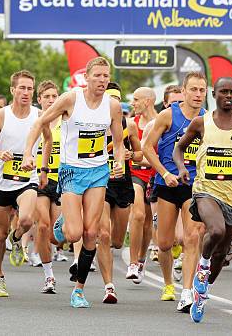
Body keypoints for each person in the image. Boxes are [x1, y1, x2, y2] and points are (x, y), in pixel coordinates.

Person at [25, 57, 125, 308]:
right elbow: (40, 122)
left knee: (92, 233)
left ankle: (78, 290)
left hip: (98, 171)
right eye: (98, 76)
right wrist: (29, 153)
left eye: (106, 76)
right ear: (87, 78)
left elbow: (119, 142)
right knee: (73, 233)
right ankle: (64, 224)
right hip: (71, 171)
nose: (102, 80)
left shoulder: (113, 106)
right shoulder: (71, 99)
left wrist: (119, 161)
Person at [174, 77, 232, 322]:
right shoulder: (201, 123)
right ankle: (201, 266)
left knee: (222, 253)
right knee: (214, 231)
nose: (228, 96)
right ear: (213, 93)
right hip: (205, 190)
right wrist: (181, 168)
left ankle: (201, 294)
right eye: (223, 91)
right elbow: (179, 148)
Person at [142, 72, 207, 312]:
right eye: (194, 90)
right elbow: (147, 147)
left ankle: (187, 291)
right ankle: (169, 283)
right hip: (167, 184)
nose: (198, 94)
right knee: (165, 243)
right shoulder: (168, 115)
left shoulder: (207, 119)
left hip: (194, 185)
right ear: (184, 90)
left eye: (202, 90)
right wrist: (165, 173)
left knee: (192, 237)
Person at [0, 70, 51, 297]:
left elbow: (49, 139)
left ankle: (17, 237)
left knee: (26, 219)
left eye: (29, 88)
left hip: (28, 180)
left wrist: (43, 169)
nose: (25, 92)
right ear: (12, 90)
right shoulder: (0, 116)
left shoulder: (39, 115)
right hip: (2, 182)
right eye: (21, 88)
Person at [97, 82, 143, 303]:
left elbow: (140, 155)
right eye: (109, 98)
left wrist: (130, 155)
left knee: (116, 241)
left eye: (116, 99)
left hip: (122, 184)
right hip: (100, 183)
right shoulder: (93, 124)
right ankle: (109, 286)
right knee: (103, 235)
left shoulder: (129, 126)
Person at [33, 80, 62, 293]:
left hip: (61, 179)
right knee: (42, 225)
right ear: (39, 99)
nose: (51, 100)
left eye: (54, 96)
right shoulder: (33, 121)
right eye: (47, 97)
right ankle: (49, 276)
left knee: (55, 235)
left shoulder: (66, 120)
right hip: (39, 179)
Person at [127, 87, 157, 282]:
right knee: (137, 214)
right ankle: (132, 263)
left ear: (147, 101)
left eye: (136, 99)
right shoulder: (131, 124)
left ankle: (141, 259)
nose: (133, 103)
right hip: (134, 173)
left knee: (148, 223)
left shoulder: (162, 121)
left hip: (154, 174)